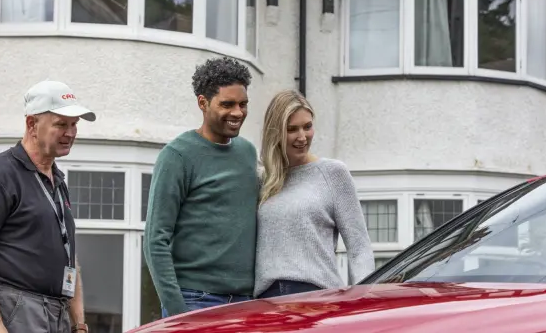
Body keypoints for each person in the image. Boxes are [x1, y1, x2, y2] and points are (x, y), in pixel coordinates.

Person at [0, 80, 95, 333]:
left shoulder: (57, 181)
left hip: (58, 313)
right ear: (32, 124)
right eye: (61, 124)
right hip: (14, 309)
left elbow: (69, 257)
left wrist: (78, 324)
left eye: (74, 124)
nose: (71, 133)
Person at [144, 57, 259, 317]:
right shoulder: (177, 156)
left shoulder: (248, 153)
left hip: (246, 304)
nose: (238, 112)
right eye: (227, 104)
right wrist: (177, 312)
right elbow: (155, 240)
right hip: (195, 300)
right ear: (203, 103)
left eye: (243, 104)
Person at [254, 89, 375, 298]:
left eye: (307, 127)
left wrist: (362, 299)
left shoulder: (333, 173)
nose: (302, 137)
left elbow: (359, 248)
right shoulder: (263, 180)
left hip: (316, 298)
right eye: (292, 129)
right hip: (266, 302)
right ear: (276, 132)